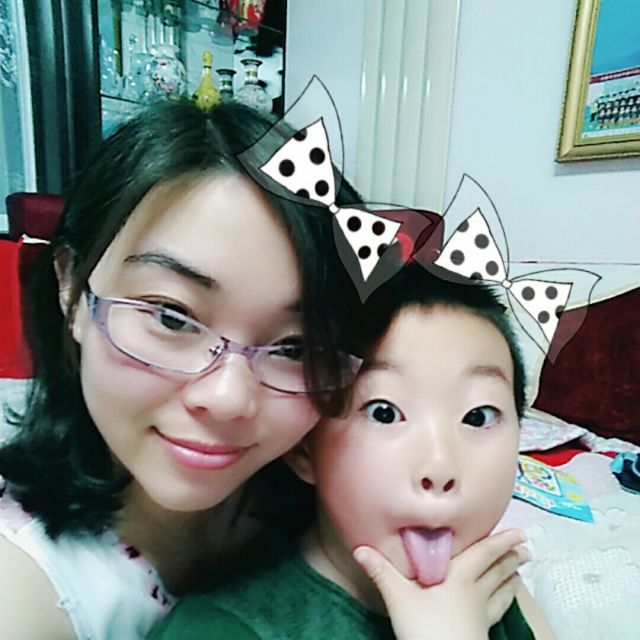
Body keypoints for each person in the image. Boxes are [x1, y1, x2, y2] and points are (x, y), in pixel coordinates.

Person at [0, 99, 368, 640]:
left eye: (295, 348)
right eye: (172, 317)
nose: (227, 398)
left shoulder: (334, 510)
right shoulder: (27, 591)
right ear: (72, 288)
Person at [149, 264, 557, 640]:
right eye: (384, 413)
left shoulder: (488, 581)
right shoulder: (220, 629)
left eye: (478, 416)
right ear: (304, 449)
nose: (439, 466)